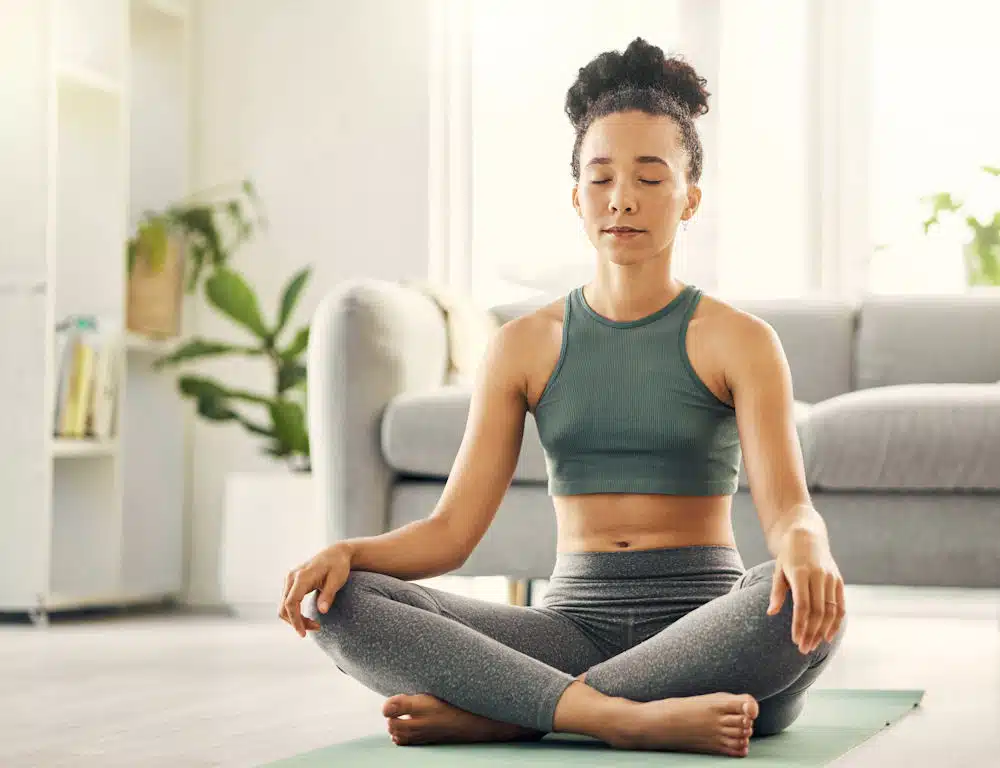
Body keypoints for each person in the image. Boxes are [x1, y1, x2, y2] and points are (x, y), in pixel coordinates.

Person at [279, 37, 846, 758]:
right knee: (345, 604)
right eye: (602, 177)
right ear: (577, 196)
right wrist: (347, 552)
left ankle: (520, 711)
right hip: (566, 628)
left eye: (651, 177)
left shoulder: (740, 339)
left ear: (689, 198)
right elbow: (451, 532)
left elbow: (788, 508)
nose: (623, 199)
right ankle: (623, 716)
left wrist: (809, 546)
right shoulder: (523, 344)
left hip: (706, 628)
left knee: (797, 602)